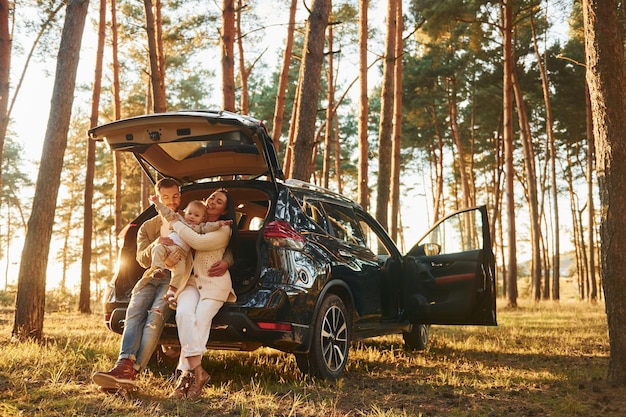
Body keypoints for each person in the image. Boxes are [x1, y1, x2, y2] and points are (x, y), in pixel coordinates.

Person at [92, 178, 233, 392]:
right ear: (158, 198)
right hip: (152, 275)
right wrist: (157, 246)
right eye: (166, 197)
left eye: (176, 196)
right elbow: (140, 258)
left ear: (180, 195)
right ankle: (124, 364)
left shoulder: (189, 220)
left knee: (154, 318)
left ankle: (132, 372)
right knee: (133, 314)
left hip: (176, 280)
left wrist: (228, 260)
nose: (172, 201)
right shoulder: (148, 226)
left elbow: (213, 242)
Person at [167, 188, 238, 400]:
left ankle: (184, 378)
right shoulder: (194, 221)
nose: (213, 202)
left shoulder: (223, 229)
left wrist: (175, 221)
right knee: (183, 316)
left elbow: (197, 242)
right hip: (189, 282)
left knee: (199, 320)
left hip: (215, 285)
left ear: (225, 210)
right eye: (211, 198)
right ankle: (198, 373)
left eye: (219, 201)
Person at [146, 197, 232, 309]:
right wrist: (157, 203)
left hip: (182, 254)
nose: (192, 217)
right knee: (157, 249)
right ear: (185, 212)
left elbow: (207, 230)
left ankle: (171, 294)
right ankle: (157, 268)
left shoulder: (199, 227)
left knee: (180, 271)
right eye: (190, 213)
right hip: (168, 246)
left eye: (196, 215)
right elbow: (166, 212)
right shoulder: (179, 218)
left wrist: (220, 224)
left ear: (203, 217)